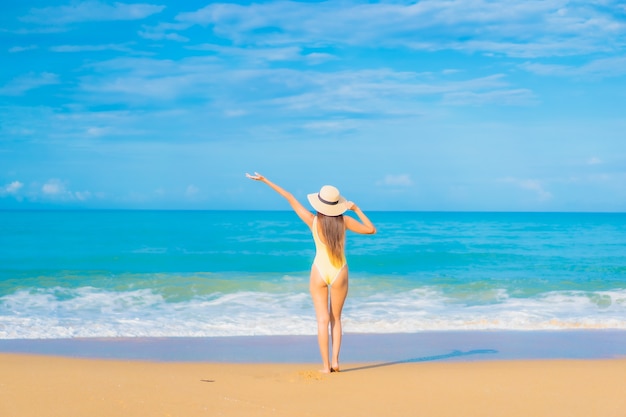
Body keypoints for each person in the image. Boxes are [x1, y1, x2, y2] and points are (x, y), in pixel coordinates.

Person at [246, 172, 376, 373]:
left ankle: (325, 367)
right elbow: (371, 229)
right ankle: (336, 362)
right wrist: (356, 208)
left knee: (322, 320)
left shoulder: (312, 221)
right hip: (340, 270)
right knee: (337, 319)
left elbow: (289, 196)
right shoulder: (345, 222)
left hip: (319, 272)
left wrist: (264, 180)